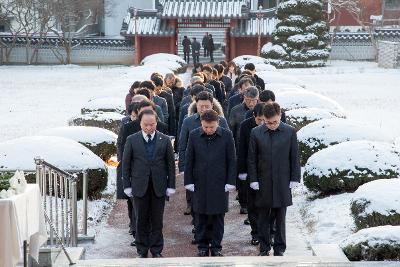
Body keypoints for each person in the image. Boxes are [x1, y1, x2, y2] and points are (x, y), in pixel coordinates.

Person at [247, 103, 301, 257]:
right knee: (262, 216)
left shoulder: (290, 132)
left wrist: (295, 177)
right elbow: (251, 158)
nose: (271, 125)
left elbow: (294, 157)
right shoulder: (256, 133)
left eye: (274, 122)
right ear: (263, 119)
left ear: (280, 117)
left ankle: (280, 248)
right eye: (267, 122)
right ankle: (264, 248)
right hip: (263, 181)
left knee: (280, 217)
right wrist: (253, 179)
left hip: (283, 180)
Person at [122, 109, 176, 258]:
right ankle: (142, 250)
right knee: (140, 220)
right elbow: (126, 164)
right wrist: (127, 185)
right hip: (139, 186)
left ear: (156, 123)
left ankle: (157, 249)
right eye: (146, 124)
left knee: (157, 220)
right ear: (140, 123)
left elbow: (171, 164)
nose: (149, 127)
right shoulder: (132, 140)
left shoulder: (164, 139)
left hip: (159, 186)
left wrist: (171, 185)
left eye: (152, 124)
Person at [184, 109, 236, 257]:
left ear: (217, 123)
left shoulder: (226, 135)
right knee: (200, 216)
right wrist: (188, 181)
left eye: (212, 127)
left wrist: (230, 181)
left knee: (218, 217)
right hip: (199, 182)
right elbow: (189, 159)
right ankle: (202, 245)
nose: (208, 130)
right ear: (201, 124)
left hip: (220, 183)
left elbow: (232, 159)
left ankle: (216, 246)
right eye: (205, 127)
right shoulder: (194, 135)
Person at [237, 103, 265, 246]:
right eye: (259, 119)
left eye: (264, 120)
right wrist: (241, 171)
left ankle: (268, 232)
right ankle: (255, 233)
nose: (262, 123)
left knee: (267, 204)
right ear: (254, 116)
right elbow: (241, 148)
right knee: (252, 204)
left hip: (266, 170)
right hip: (250, 169)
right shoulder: (245, 126)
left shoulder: (270, 125)